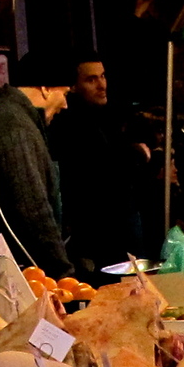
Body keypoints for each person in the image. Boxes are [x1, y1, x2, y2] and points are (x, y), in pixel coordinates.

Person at [49, 56, 151, 272]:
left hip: (119, 223)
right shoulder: (73, 123)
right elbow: (106, 166)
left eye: (103, 76)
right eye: (91, 79)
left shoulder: (103, 115)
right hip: (101, 232)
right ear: (74, 86)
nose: (101, 84)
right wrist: (138, 153)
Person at [0, 53, 75, 277]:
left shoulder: (17, 118)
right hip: (26, 270)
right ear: (45, 88)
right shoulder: (13, 124)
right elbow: (31, 206)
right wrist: (62, 272)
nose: (65, 105)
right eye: (64, 93)